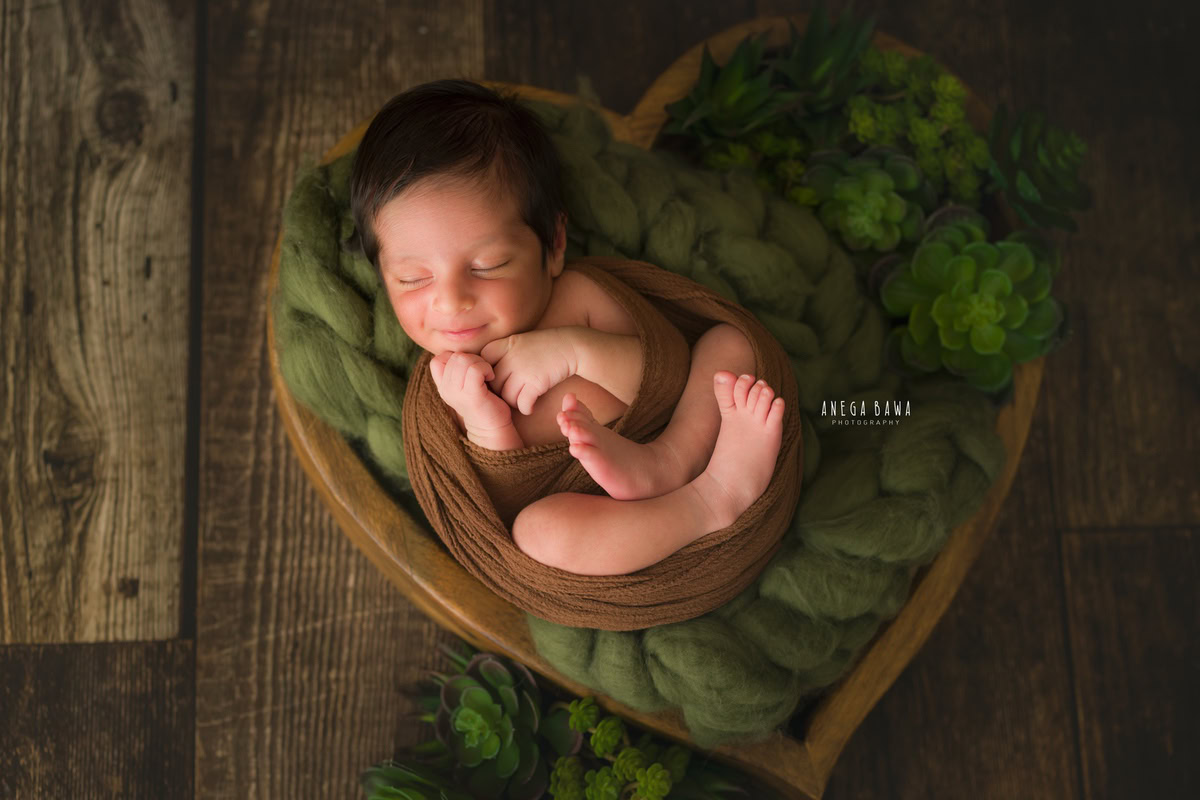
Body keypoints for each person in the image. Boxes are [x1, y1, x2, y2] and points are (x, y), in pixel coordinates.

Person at [350, 78, 786, 576]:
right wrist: (485, 422)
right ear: (384, 277)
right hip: (624, 532)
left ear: (553, 245)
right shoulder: (443, 394)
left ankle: (672, 462)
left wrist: (577, 351)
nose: (451, 301)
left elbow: (667, 370)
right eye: (413, 279)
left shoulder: (578, 298)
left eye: (488, 265)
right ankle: (711, 502)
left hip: (693, 442)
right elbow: (501, 503)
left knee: (729, 341)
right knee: (539, 532)